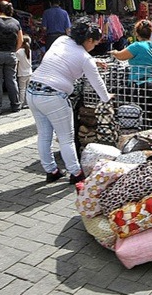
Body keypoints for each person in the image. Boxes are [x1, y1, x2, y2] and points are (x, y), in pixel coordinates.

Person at [27, 17, 112, 184]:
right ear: (88, 40)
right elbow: (98, 84)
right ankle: (76, 174)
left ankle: (51, 170)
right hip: (53, 96)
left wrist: (94, 61)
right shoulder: (85, 58)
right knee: (66, 138)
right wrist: (106, 97)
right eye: (94, 44)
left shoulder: (61, 40)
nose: (94, 47)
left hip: (32, 91)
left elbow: (65, 57)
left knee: (44, 135)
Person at [111, 19, 152, 128]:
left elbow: (121, 56)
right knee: (149, 109)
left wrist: (114, 52)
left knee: (140, 109)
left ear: (136, 33)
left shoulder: (136, 46)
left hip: (141, 84)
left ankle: (143, 132)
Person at [15, 35, 32, 109]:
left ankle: (21, 103)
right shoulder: (29, 51)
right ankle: (29, 103)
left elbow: (16, 62)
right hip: (29, 72)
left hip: (22, 73)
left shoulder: (18, 52)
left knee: (22, 89)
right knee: (28, 89)